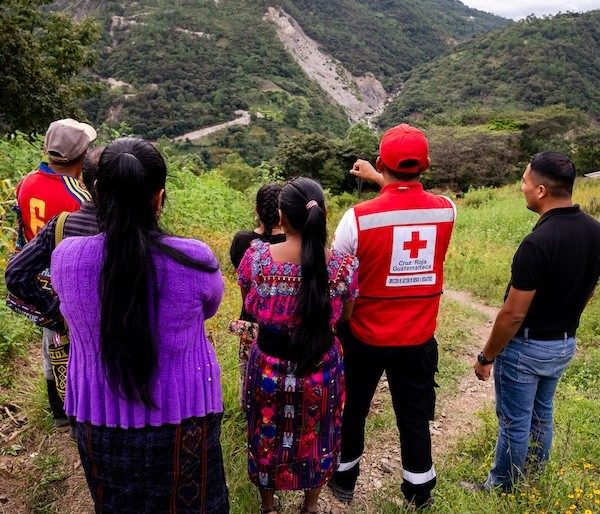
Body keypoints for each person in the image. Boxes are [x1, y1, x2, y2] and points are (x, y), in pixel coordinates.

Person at [50, 138, 229, 513]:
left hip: (96, 418)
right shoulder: (195, 259)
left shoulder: (66, 259)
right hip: (184, 418)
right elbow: (210, 307)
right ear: (159, 197)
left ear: (97, 193)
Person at [329, 124, 456, 508]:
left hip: (364, 338)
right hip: (418, 339)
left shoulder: (357, 218)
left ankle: (345, 480)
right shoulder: (447, 211)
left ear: (381, 162)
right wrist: (385, 179)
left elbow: (338, 279)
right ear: (427, 164)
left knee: (354, 410)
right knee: (414, 417)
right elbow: (407, 199)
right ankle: (419, 492)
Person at [467, 152, 600, 491]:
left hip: (527, 347)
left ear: (540, 190)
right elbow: (588, 287)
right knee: (542, 414)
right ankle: (532, 478)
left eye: (525, 181)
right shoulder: (594, 231)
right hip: (564, 343)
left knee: (514, 422)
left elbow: (513, 313)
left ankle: (501, 486)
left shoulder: (537, 243)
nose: (521, 186)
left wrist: (487, 356)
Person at [237, 177, 358, 514]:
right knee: (320, 433)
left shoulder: (258, 258)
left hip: (268, 368)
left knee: (265, 433)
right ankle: (311, 506)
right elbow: (345, 315)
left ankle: (268, 506)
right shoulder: (343, 267)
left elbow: (249, 302)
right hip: (321, 365)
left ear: (281, 217)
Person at [13, 118, 96, 429]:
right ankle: (75, 409)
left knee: (51, 343)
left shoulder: (26, 183)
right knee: (77, 345)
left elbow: (22, 231)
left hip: (35, 277)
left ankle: (58, 409)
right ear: (81, 157)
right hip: (67, 279)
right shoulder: (79, 196)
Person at [229, 183, 285, 406]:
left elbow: (243, 284)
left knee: (251, 381)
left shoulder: (243, 241)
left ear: (256, 209)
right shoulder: (293, 245)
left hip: (250, 324)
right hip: (282, 328)